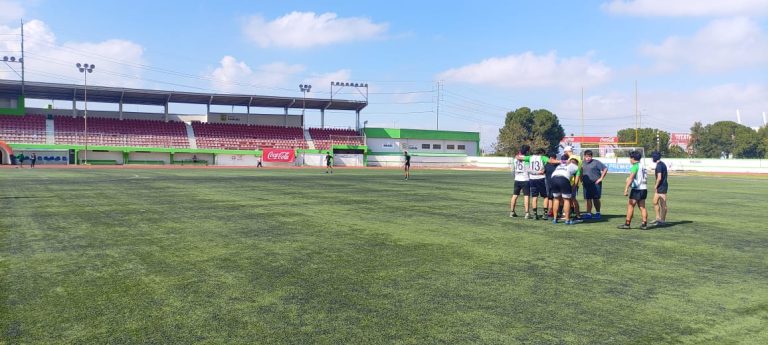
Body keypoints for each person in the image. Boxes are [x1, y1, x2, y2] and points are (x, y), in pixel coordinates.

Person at [618, 151, 649, 230]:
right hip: (644, 188)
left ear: (633, 158)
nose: (630, 160)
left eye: (630, 158)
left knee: (631, 205)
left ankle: (627, 224)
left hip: (637, 189)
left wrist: (626, 188)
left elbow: (631, 178)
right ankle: (644, 224)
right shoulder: (643, 166)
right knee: (642, 207)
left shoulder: (635, 166)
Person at [550, 157, 580, 225]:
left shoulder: (560, 165)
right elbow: (576, 180)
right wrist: (574, 187)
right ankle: (567, 220)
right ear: (576, 163)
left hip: (553, 179)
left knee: (556, 199)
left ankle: (555, 219)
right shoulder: (576, 167)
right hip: (563, 179)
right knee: (566, 200)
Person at [580, 150, 608, 219]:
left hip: (595, 183)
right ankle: (588, 213)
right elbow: (580, 172)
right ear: (584, 156)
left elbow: (605, 169)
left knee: (596, 198)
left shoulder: (596, 162)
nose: (588, 158)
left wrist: (601, 178)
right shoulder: (582, 163)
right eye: (586, 156)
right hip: (586, 184)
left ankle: (598, 213)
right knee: (588, 199)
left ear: (591, 156)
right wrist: (581, 180)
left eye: (589, 156)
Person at [526, 148, 548, 220]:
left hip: (532, 178)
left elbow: (520, 158)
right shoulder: (543, 157)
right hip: (541, 178)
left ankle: (535, 214)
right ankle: (545, 214)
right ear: (540, 153)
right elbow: (549, 162)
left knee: (534, 197)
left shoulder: (529, 157)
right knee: (545, 197)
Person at [510, 145, 531, 218]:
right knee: (526, 196)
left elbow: (512, 170)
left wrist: (515, 177)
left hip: (517, 179)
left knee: (515, 195)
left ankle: (512, 211)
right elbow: (529, 169)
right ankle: (527, 213)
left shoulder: (515, 159)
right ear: (527, 151)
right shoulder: (527, 158)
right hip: (525, 179)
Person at [563, 146, 582, 219]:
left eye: (565, 152)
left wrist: (575, 184)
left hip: (572, 182)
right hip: (576, 181)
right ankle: (574, 214)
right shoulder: (579, 158)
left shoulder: (571, 159)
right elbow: (580, 170)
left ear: (567, 151)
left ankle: (575, 214)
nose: (565, 154)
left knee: (570, 199)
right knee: (571, 199)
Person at [651, 151, 668, 226]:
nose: (652, 159)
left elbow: (659, 177)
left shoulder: (659, 166)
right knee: (655, 201)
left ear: (655, 157)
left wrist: (656, 185)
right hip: (661, 186)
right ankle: (658, 218)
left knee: (663, 204)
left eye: (652, 157)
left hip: (661, 186)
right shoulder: (662, 164)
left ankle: (662, 220)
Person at [543, 152, 560, 220]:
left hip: (555, 183)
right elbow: (542, 171)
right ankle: (550, 212)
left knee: (555, 198)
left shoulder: (557, 165)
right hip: (550, 183)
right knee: (550, 198)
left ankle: (555, 212)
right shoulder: (547, 164)